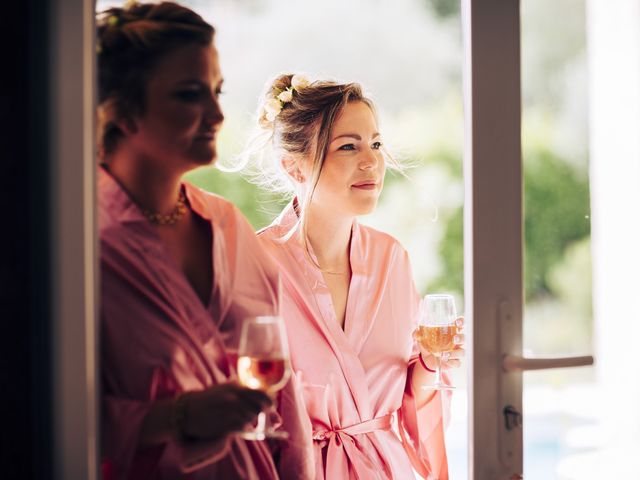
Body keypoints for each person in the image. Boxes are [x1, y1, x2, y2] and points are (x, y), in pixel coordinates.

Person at [97, 4, 311, 479]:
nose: (217, 113)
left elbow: (287, 399)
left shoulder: (230, 227)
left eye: (216, 91)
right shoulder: (83, 243)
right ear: (123, 109)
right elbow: (44, 415)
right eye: (189, 94)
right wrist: (179, 418)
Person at [247, 74, 465, 479]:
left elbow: (411, 407)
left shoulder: (392, 260)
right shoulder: (256, 266)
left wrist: (431, 365)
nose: (372, 161)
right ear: (293, 166)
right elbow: (238, 409)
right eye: (348, 146)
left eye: (376, 144)